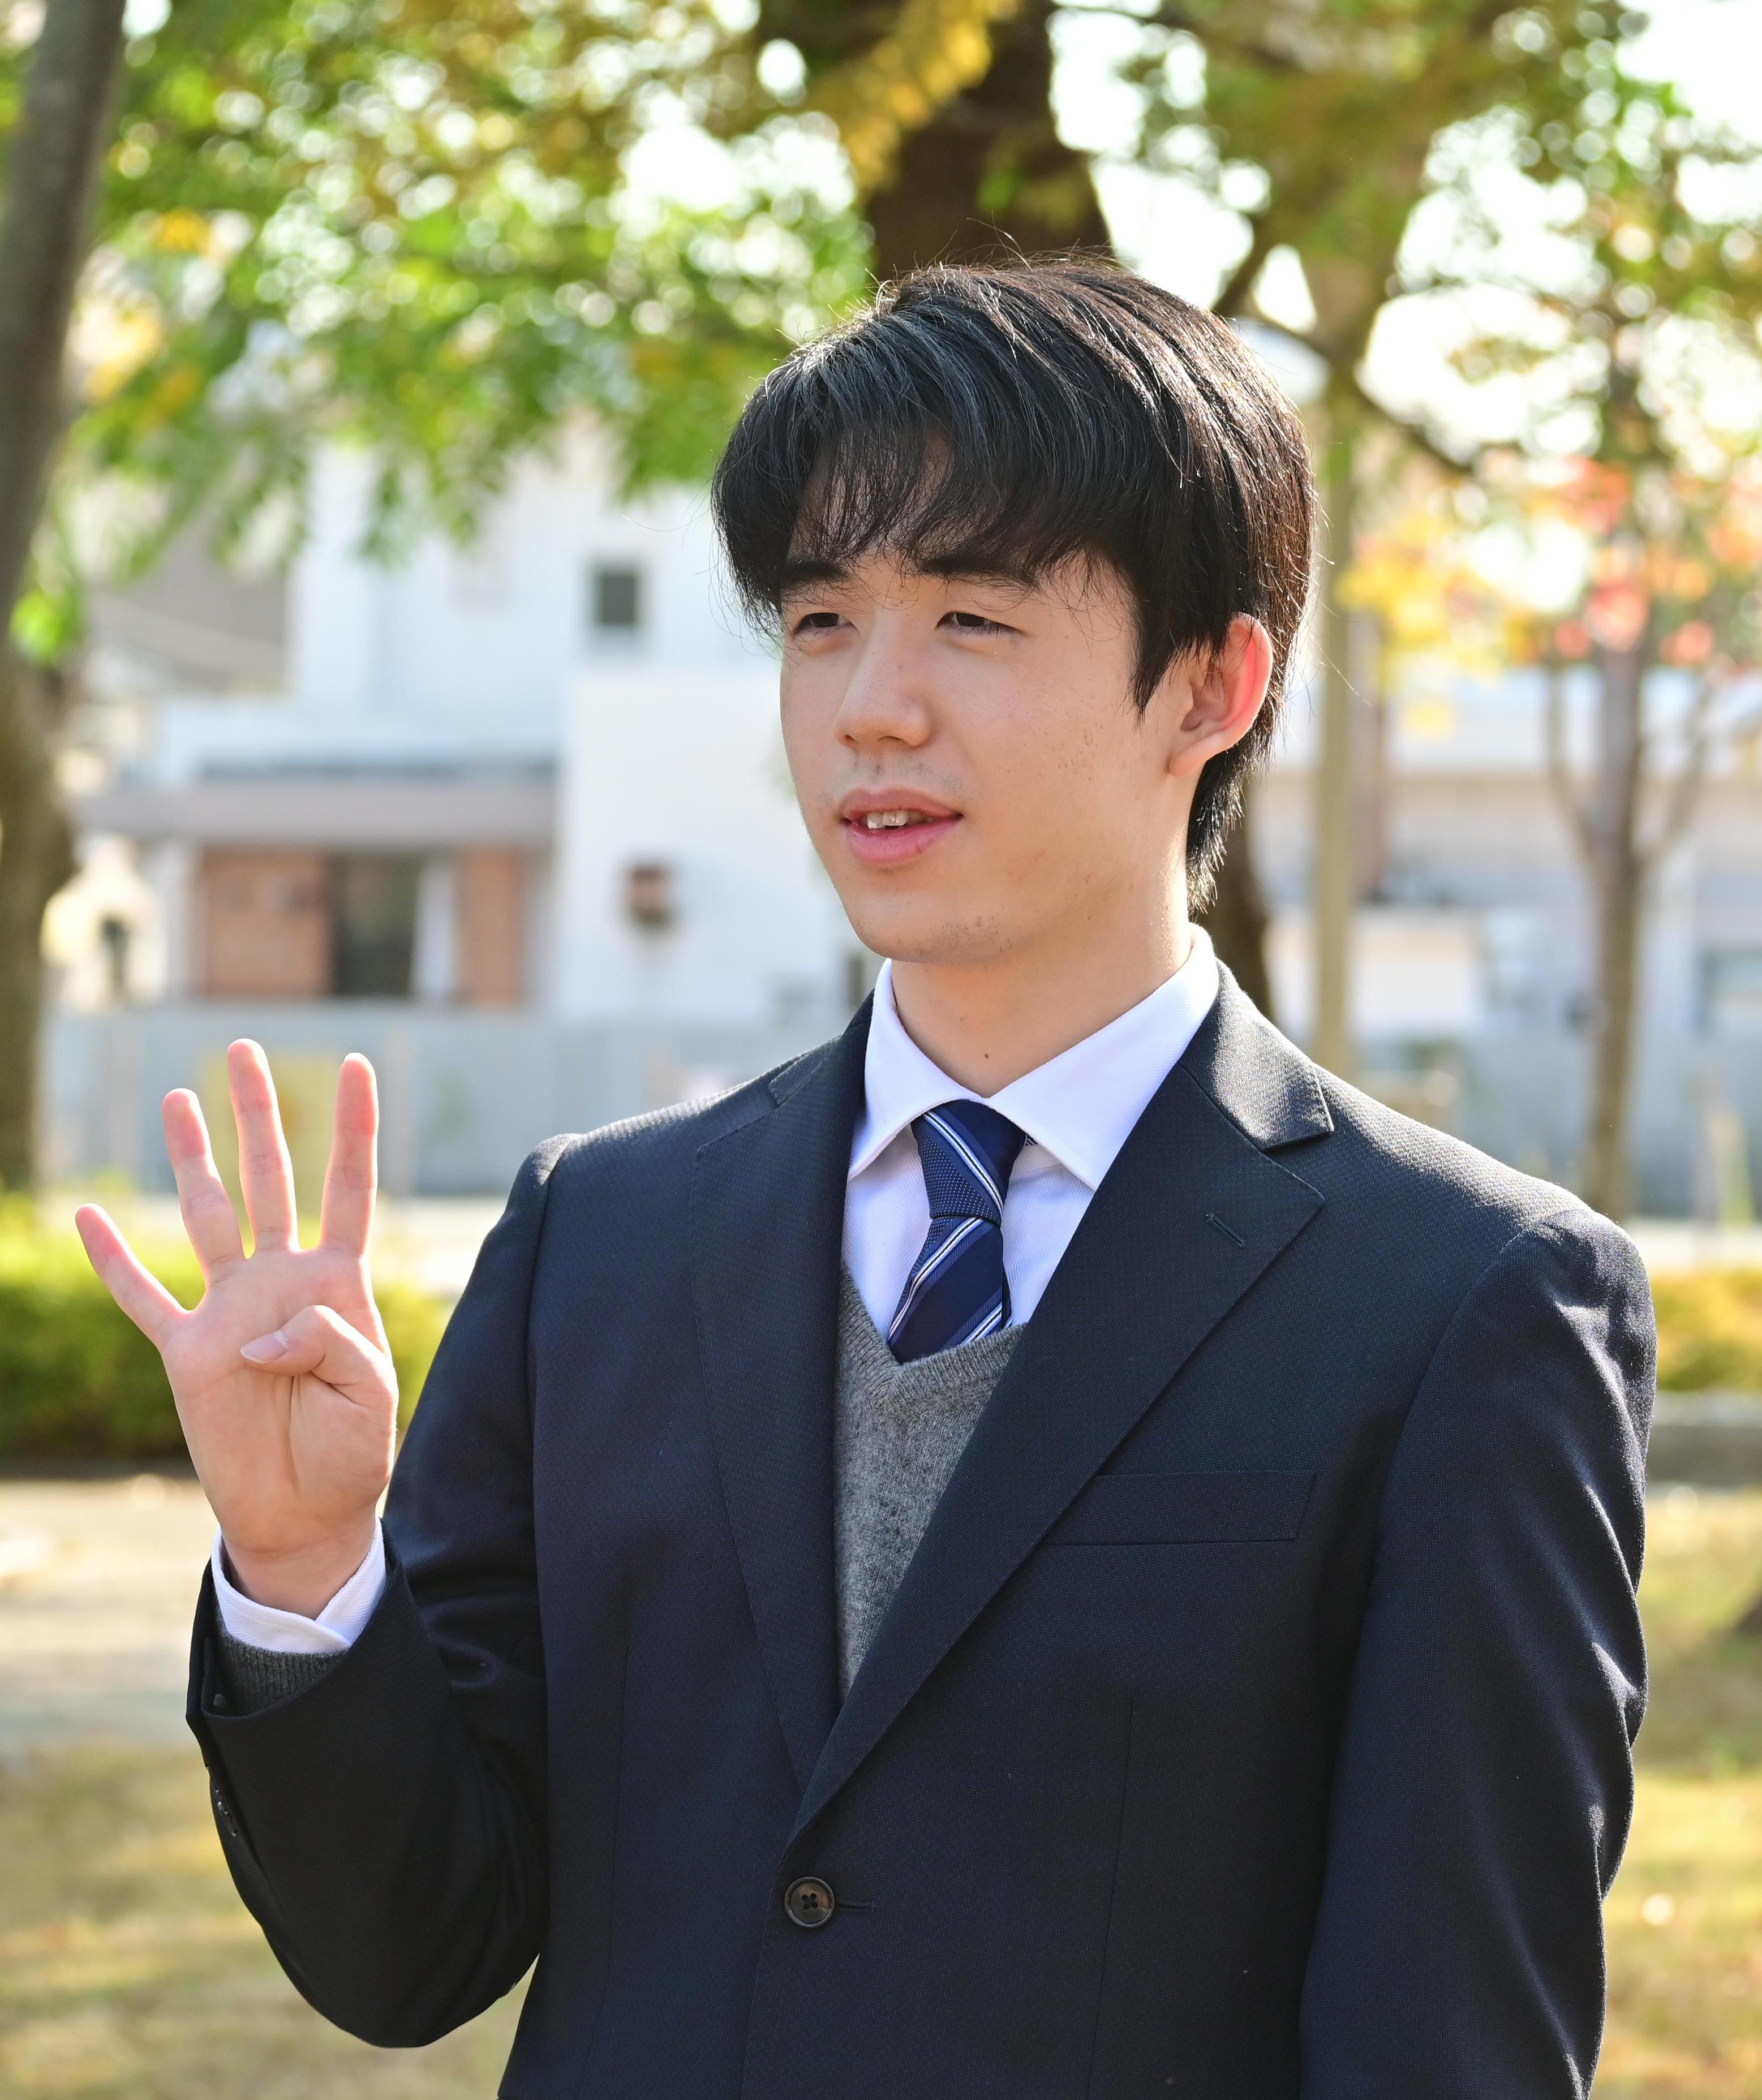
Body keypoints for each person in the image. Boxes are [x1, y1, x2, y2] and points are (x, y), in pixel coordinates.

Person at [77, 260, 1653, 2099]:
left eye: (971, 618)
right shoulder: (602, 1237)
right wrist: (303, 1572)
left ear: (1212, 684)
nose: (869, 709)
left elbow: (1446, 2041)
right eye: (821, 620)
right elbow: (410, 1950)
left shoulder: (1461, 1302)